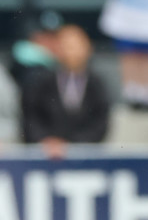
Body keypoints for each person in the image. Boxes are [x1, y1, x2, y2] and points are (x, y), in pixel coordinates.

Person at [21, 23, 110, 160]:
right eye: (66, 46)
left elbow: (100, 122)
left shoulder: (97, 84)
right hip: (44, 157)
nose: (71, 52)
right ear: (57, 49)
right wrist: (47, 142)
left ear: (88, 48)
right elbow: (31, 117)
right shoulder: (40, 82)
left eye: (76, 46)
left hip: (85, 157)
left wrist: (72, 146)